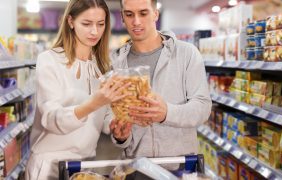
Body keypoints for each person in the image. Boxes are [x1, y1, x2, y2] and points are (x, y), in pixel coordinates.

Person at [25, 0, 130, 179]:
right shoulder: (49, 60)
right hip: (49, 167)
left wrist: (117, 131)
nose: (95, 31)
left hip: (85, 166)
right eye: (87, 24)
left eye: (101, 24)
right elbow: (51, 119)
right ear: (71, 21)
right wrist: (93, 103)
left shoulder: (102, 68)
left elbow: (104, 116)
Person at [109, 0, 212, 174]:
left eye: (143, 13)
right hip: (135, 170)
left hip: (180, 167)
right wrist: (120, 137)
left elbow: (203, 107)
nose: (136, 21)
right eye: (129, 14)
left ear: (155, 14)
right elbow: (109, 115)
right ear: (122, 17)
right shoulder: (115, 63)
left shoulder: (186, 53)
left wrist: (167, 113)